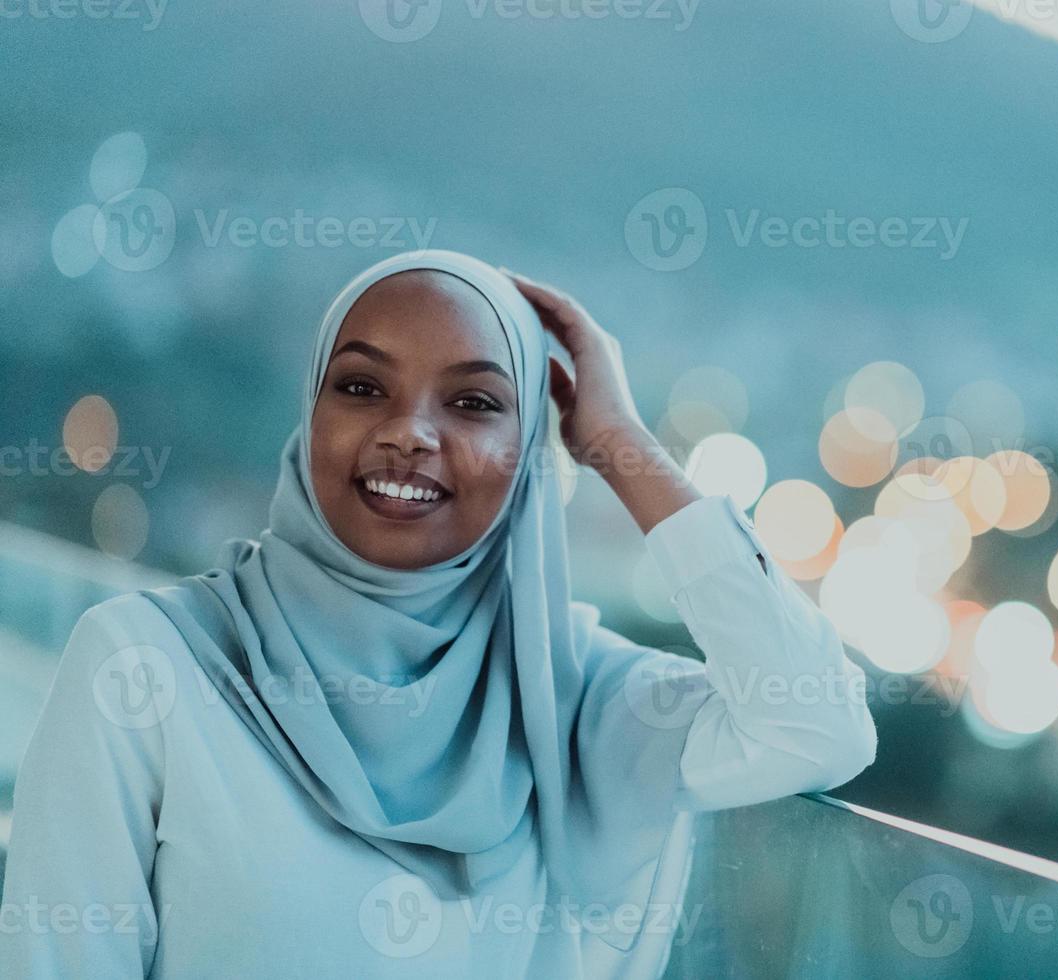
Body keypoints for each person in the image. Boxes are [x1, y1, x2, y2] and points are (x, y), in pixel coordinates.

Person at [0, 251, 878, 978]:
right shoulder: (145, 668)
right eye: (360, 387)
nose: (410, 433)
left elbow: (818, 726)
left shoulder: (579, 700)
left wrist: (620, 445)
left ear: (533, 448)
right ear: (309, 417)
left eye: (474, 403)